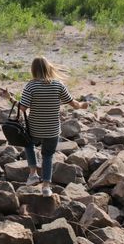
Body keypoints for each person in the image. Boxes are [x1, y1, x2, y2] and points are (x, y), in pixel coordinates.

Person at [19, 57, 88, 197]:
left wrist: (10, 99)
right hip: (52, 130)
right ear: (48, 68)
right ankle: (46, 187)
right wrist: (82, 105)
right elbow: (74, 104)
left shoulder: (30, 86)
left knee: (28, 144)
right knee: (48, 156)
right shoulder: (58, 85)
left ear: (33, 70)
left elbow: (23, 108)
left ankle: (33, 173)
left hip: (35, 129)